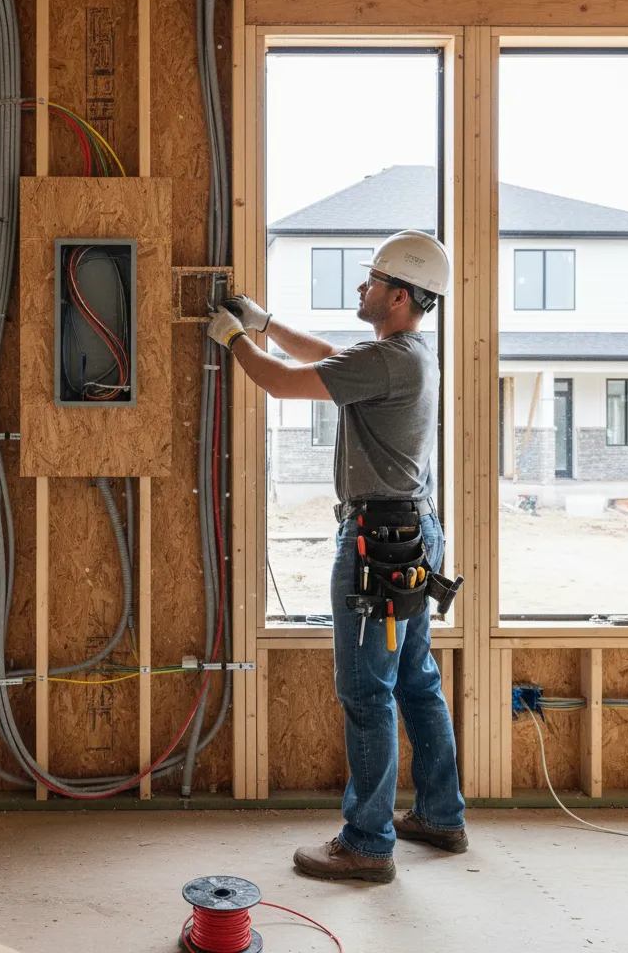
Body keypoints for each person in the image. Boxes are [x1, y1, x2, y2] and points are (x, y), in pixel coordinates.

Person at [207, 229, 467, 883]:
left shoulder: (390, 360)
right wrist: (266, 323)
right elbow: (323, 354)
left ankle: (367, 845)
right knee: (413, 679)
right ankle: (440, 815)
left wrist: (236, 340)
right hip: (410, 535)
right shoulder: (405, 353)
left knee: (364, 690)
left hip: (375, 545)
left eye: (373, 281)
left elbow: (281, 382)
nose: (362, 288)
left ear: (401, 296)